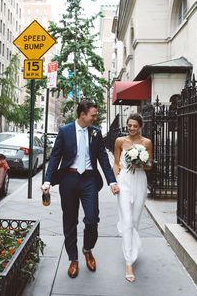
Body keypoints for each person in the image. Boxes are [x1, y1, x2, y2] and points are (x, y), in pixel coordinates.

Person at [41, 100, 120, 278]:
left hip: (90, 180)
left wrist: (112, 182)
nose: (95, 117)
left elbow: (103, 159)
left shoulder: (96, 132)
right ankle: (73, 259)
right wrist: (47, 180)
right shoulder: (65, 131)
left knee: (92, 218)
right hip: (69, 179)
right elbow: (55, 157)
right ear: (82, 114)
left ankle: (87, 249)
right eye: (92, 115)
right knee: (70, 221)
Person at [113, 113, 153, 283]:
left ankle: (132, 246)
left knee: (134, 221)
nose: (131, 128)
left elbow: (150, 166)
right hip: (124, 182)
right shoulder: (120, 142)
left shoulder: (147, 143)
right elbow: (116, 163)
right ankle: (129, 262)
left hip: (140, 181)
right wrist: (114, 182)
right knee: (127, 220)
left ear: (140, 127)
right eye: (129, 125)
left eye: (134, 126)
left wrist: (141, 163)